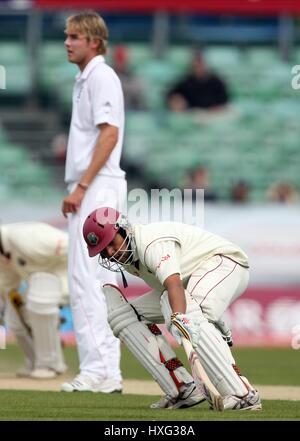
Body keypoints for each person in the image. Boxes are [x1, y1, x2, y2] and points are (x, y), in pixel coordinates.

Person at [82, 207, 262, 411]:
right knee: (123, 316)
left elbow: (173, 284)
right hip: (189, 281)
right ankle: (182, 388)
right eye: (104, 251)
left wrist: (179, 317)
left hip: (225, 263)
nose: (111, 254)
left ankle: (241, 393)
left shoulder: (150, 243)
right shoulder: (127, 256)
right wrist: (181, 316)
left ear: (122, 229)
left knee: (188, 311)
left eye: (111, 244)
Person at [60, 11, 127, 393]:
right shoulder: (86, 78)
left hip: (97, 186)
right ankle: (108, 373)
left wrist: (82, 187)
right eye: (67, 36)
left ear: (95, 42)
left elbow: (109, 134)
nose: (68, 43)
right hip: (96, 185)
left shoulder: (100, 77)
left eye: (75, 37)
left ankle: (95, 370)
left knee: (86, 280)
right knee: (98, 281)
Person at [0, 222, 68, 379]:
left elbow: (74, 250)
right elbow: (9, 287)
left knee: (39, 300)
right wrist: (19, 311)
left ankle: (50, 364)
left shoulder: (23, 238)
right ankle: (34, 361)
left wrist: (62, 292)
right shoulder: (2, 255)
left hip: (65, 275)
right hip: (39, 282)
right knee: (14, 318)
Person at [112, 45, 146, 110]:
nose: (120, 64)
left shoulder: (134, 76)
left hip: (131, 109)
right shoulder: (107, 75)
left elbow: (140, 92)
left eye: (122, 60)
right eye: (118, 60)